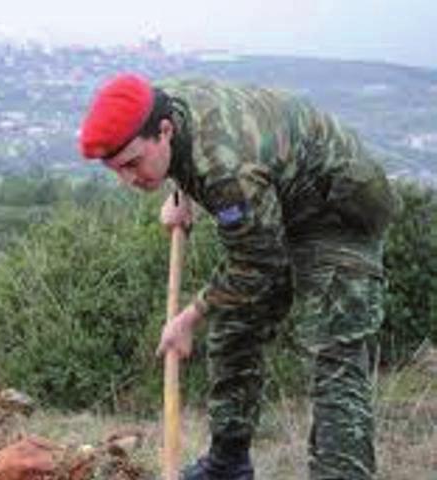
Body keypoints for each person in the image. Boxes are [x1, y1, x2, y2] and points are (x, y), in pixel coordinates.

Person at [78, 73, 395, 480]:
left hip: (336, 208)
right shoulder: (160, 104)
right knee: (234, 326)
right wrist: (180, 194)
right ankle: (228, 465)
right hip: (274, 196)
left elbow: (257, 264)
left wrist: (188, 318)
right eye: (117, 170)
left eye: (134, 164)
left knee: (334, 357)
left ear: (164, 131)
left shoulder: (228, 171)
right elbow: (191, 154)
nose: (130, 180)